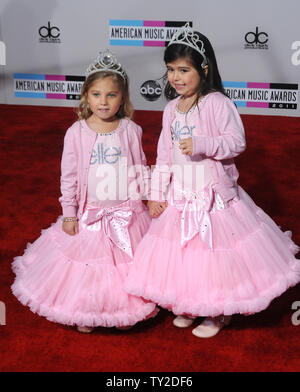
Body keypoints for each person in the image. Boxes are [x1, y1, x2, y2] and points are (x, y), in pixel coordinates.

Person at [125, 24, 300, 338]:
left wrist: (204, 143)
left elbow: (236, 142)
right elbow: (164, 154)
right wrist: (156, 191)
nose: (176, 77)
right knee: (186, 254)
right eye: (170, 70)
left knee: (213, 253)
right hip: (181, 193)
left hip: (211, 195)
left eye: (184, 69)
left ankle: (218, 311)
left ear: (203, 69)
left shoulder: (218, 103)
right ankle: (191, 303)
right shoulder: (170, 110)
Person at [11, 49, 157, 333]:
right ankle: (87, 308)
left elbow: (140, 166)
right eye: (97, 94)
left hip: (127, 214)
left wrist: (148, 198)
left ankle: (124, 309)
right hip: (91, 214)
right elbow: (69, 177)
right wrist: (69, 214)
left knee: (124, 264)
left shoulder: (130, 129)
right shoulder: (76, 133)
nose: (104, 102)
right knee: (91, 266)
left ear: (123, 97)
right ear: (86, 97)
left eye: (112, 95)